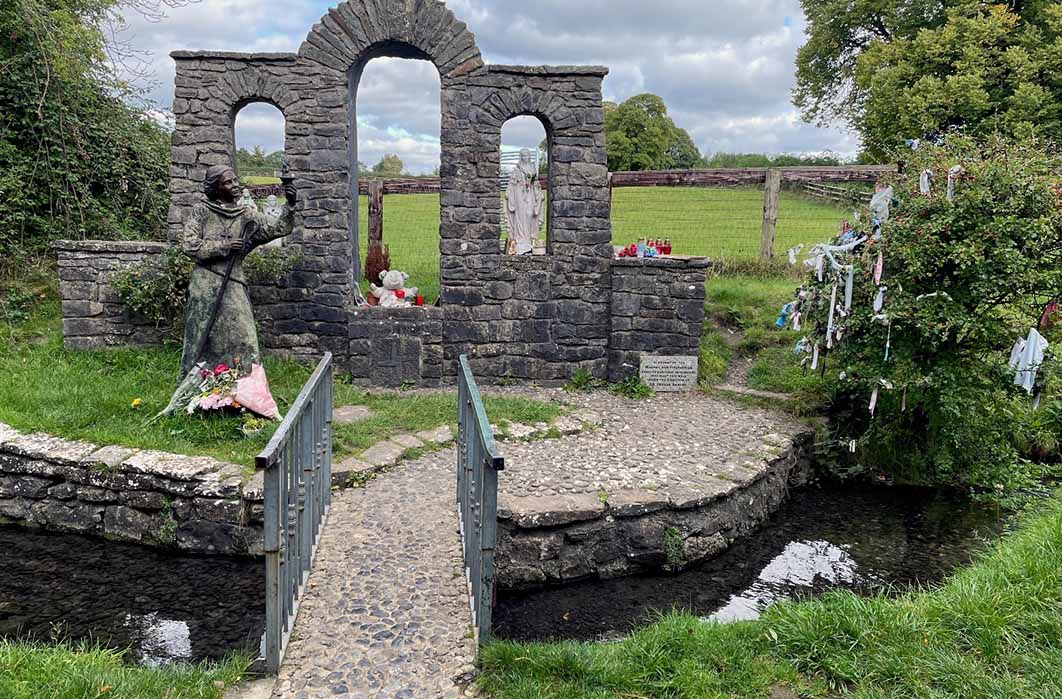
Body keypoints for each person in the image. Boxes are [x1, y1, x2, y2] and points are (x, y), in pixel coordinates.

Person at [177, 164, 296, 379]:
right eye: (227, 182)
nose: (235, 185)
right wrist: (224, 246)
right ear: (216, 188)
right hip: (205, 283)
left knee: (244, 336)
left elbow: (278, 228)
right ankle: (199, 383)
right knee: (201, 336)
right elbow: (189, 244)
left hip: (233, 282)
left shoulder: (246, 215)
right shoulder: (202, 211)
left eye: (235, 180)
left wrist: (290, 204)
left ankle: (245, 385)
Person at [505, 148, 544, 255]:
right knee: (520, 216)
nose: (525, 157)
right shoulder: (517, 169)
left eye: (526, 155)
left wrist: (537, 190)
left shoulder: (532, 168)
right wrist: (508, 192)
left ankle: (528, 240)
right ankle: (519, 240)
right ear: (520, 157)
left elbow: (536, 182)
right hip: (519, 195)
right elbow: (512, 182)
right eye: (523, 155)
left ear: (529, 156)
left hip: (530, 194)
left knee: (529, 214)